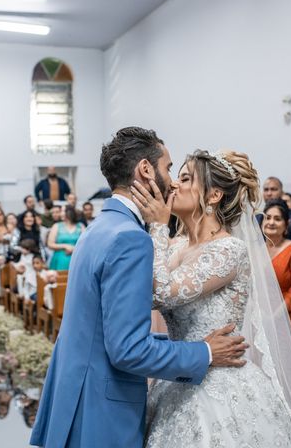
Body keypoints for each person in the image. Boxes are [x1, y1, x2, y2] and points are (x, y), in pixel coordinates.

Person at [30, 127, 249, 448]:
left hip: (81, 393)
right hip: (100, 408)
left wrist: (183, 342)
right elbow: (128, 347)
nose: (173, 181)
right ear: (146, 170)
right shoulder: (130, 238)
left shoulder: (102, 227)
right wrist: (202, 350)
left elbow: (110, 326)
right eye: (170, 168)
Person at [131, 149, 291, 447]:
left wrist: (158, 224)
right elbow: (147, 294)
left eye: (185, 178)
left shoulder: (228, 251)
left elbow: (163, 292)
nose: (173, 185)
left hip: (220, 384)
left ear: (213, 196)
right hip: (179, 375)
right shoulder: (177, 245)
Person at [262, 199, 291, 358]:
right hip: (262, 319)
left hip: (288, 319)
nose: (271, 222)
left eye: (277, 218)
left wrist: (274, 316)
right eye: (267, 217)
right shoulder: (257, 249)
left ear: (286, 224)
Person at [259, 176, 291, 252]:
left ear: (282, 193)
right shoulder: (258, 217)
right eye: (266, 190)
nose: (269, 193)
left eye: (273, 189)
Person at [47, 205, 85, 270]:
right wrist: (65, 246)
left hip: (77, 260)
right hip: (59, 260)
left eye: (62, 211)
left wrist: (74, 249)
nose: (60, 213)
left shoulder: (80, 226)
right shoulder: (56, 226)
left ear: (69, 212)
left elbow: (86, 244)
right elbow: (50, 244)